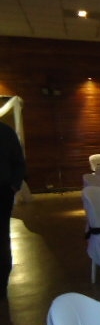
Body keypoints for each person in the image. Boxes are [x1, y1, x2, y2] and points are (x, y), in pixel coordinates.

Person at [0, 121, 26, 298]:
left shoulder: (5, 132)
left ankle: (1, 283)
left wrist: (13, 186)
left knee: (1, 237)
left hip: (2, 191)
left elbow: (19, 162)